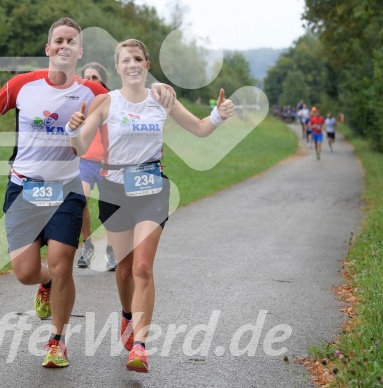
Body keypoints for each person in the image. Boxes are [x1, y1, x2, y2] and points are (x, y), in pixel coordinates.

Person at [0, 18, 176, 369]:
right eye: (59, 40)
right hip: (24, 188)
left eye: (72, 41)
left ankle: (57, 340)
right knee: (24, 271)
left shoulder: (93, 92)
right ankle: (46, 281)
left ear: (80, 52)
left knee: (63, 263)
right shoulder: (23, 85)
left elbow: (132, 93)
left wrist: (161, 89)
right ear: (48, 48)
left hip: (66, 192)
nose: (65, 45)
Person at [67, 39, 234, 373]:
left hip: (152, 189)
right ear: (117, 67)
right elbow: (81, 145)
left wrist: (219, 115)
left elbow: (199, 129)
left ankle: (140, 347)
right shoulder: (105, 102)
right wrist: (73, 132)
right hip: (114, 192)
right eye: (126, 60)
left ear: (146, 65)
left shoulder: (161, 99)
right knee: (125, 270)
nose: (132, 64)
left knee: (143, 268)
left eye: (138, 59)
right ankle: (127, 316)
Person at [77, 62, 117, 271]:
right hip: (85, 162)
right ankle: (88, 245)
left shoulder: (112, 102)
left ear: (102, 81)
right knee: (81, 200)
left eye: (94, 78)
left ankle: (111, 249)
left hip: (107, 164)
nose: (90, 81)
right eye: (86, 77)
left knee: (109, 207)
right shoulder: (78, 101)